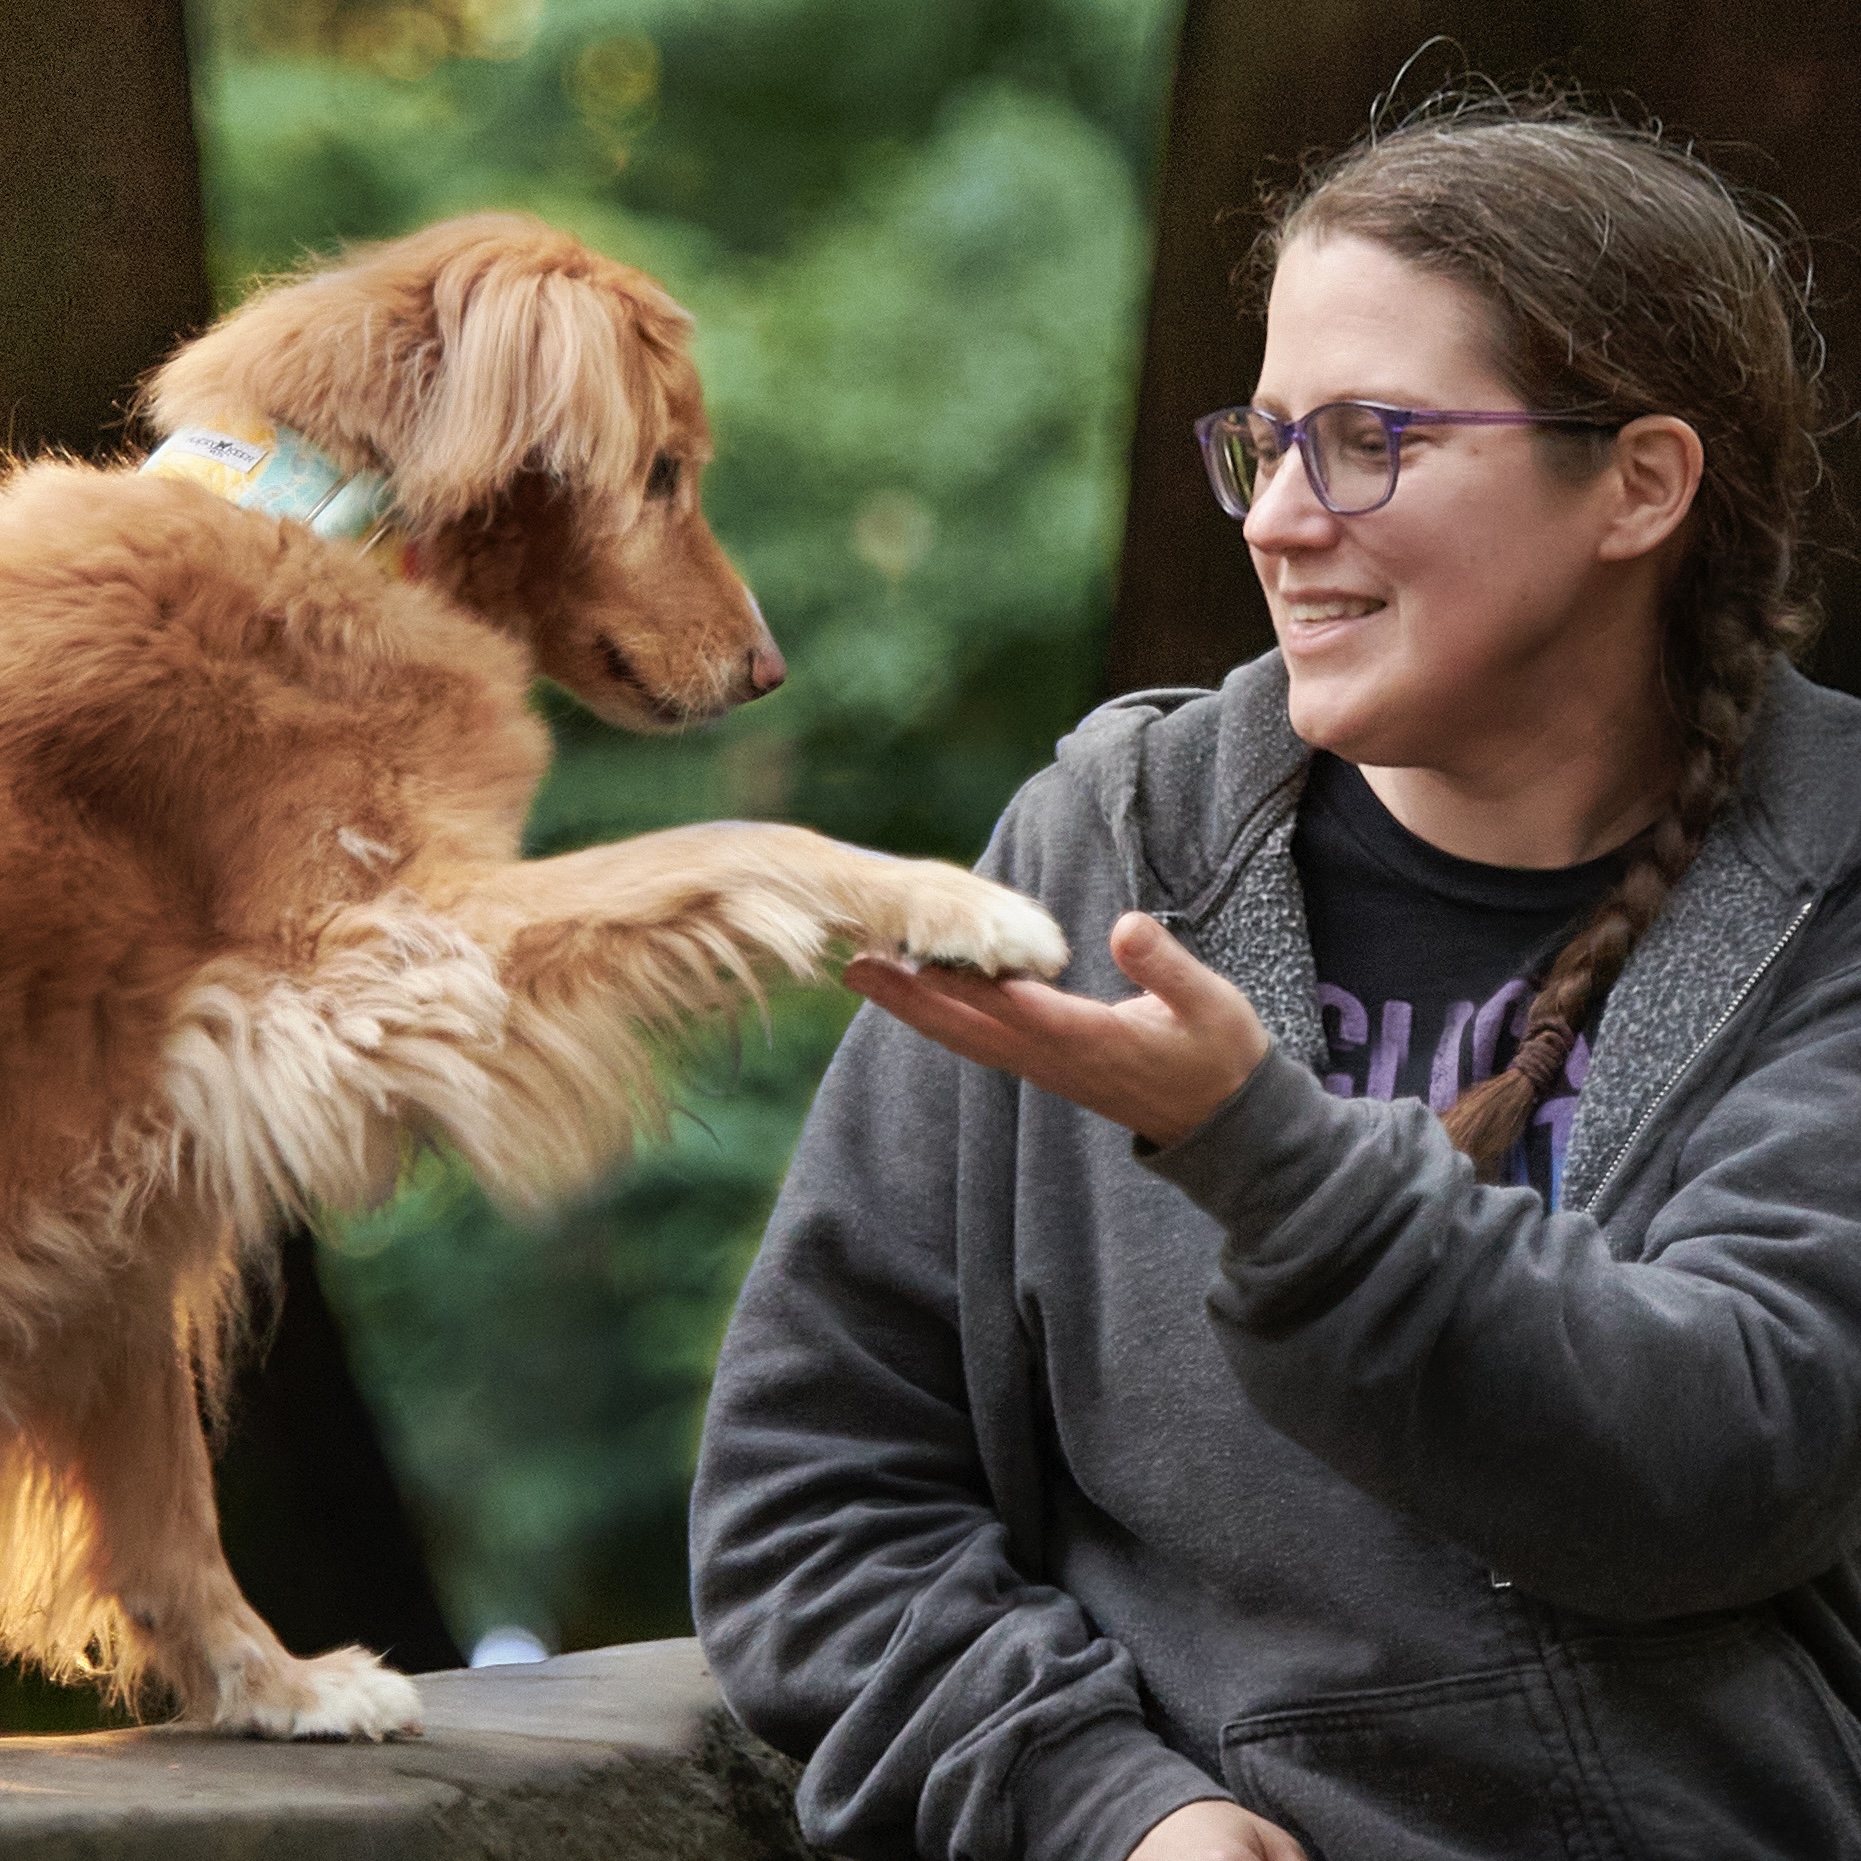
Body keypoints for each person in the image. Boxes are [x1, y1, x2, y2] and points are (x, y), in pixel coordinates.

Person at [690, 94, 1861, 1861]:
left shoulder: (1833, 883)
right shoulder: (1106, 842)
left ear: (1638, 482)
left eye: (1371, 438)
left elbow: (1714, 1459)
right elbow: (815, 1497)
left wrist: (1261, 1151)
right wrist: (1101, 1805)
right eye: (1264, 442)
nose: (1279, 519)